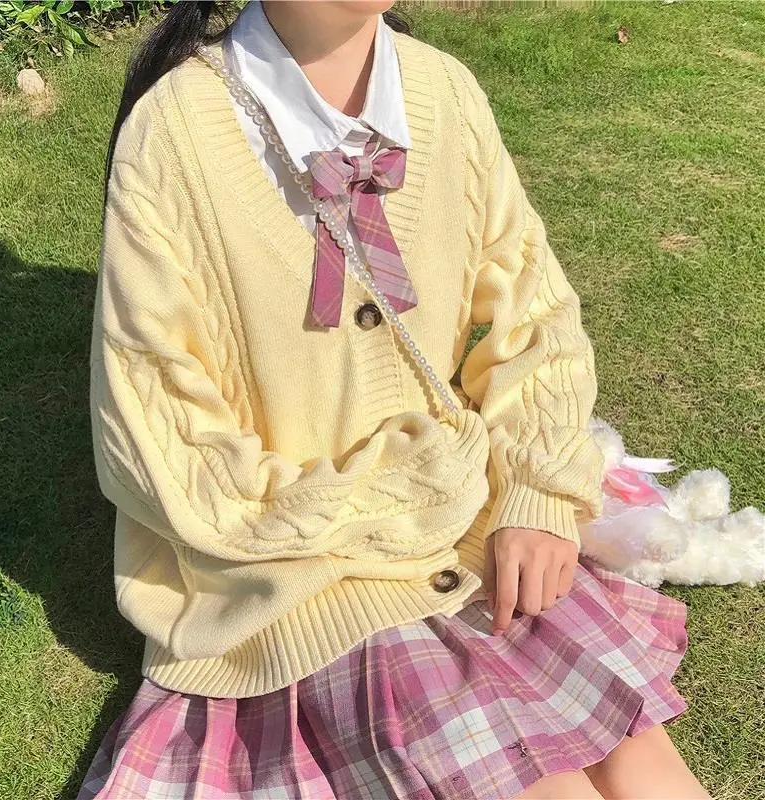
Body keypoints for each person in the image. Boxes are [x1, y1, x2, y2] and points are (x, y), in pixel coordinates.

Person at [78, 2, 712, 798]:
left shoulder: (443, 92)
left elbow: (533, 317)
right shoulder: (172, 136)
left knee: (648, 771)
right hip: (305, 579)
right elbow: (158, 436)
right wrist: (392, 504)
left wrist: (538, 495)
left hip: (477, 536)